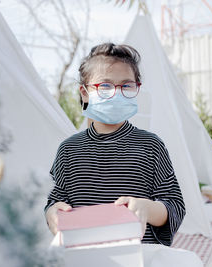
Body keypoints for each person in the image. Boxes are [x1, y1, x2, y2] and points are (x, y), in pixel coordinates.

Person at [44, 43, 185, 246]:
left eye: (126, 85)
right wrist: (52, 213)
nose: (116, 93)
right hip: (84, 255)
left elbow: (175, 206)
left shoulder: (151, 146)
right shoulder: (68, 150)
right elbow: (54, 201)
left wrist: (147, 209)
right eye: (105, 86)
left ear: (137, 88)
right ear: (84, 93)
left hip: (139, 255)